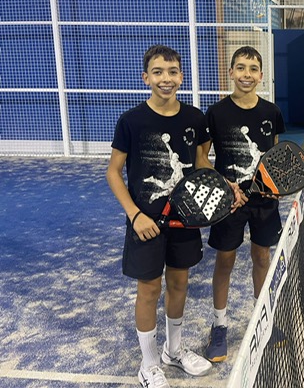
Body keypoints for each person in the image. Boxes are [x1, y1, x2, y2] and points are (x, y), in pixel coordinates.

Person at [106, 45, 240, 388]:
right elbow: (113, 172)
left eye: (172, 72)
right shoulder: (131, 121)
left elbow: (202, 163)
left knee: (179, 284)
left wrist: (225, 185)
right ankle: (149, 365)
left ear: (181, 76)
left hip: (185, 219)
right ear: (146, 78)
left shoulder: (194, 118)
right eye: (158, 72)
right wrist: (135, 215)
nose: (165, 78)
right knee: (150, 289)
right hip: (146, 223)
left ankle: (173, 351)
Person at [203, 46, 285, 363]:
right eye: (240, 68)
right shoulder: (216, 113)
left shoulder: (271, 112)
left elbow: (275, 156)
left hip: (263, 202)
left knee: (262, 257)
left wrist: (276, 185)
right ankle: (219, 325)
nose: (246, 74)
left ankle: (262, 318)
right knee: (225, 260)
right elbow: (201, 158)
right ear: (231, 73)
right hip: (229, 203)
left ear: (261, 75)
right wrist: (225, 185)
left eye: (252, 69)